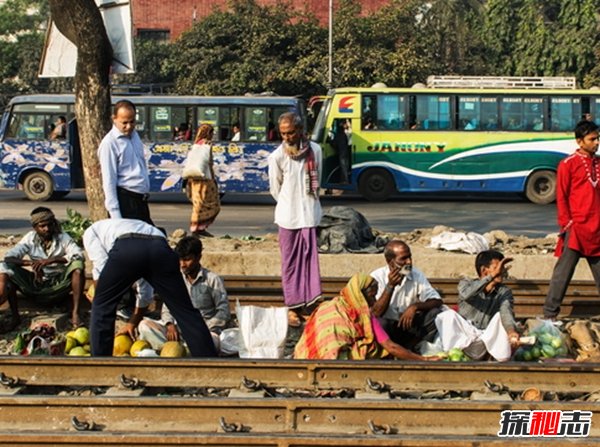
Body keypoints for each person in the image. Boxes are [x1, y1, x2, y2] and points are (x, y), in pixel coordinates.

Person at [83, 218, 217, 357]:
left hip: (127, 248)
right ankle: (208, 359)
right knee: (185, 311)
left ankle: (100, 360)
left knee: (102, 306)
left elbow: (101, 268)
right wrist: (133, 323)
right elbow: (145, 292)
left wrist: (100, 295)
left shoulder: (91, 232)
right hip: (160, 248)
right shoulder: (136, 226)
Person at [294, 273, 438, 361]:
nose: (374, 301)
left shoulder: (329, 305)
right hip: (336, 360)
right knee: (374, 347)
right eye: (371, 296)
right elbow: (390, 346)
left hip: (308, 356)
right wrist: (423, 359)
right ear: (360, 294)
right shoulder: (366, 316)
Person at [268, 112, 322, 326]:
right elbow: (275, 188)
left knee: (309, 263)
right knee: (290, 264)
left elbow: (319, 178)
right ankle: (293, 306)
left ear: (300, 130)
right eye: (283, 134)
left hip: (309, 214)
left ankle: (309, 305)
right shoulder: (277, 156)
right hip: (287, 217)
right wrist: (289, 202)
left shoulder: (315, 150)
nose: (287, 137)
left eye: (291, 133)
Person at [544, 120, 600, 320]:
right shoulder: (568, 164)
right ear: (579, 141)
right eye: (592, 139)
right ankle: (549, 316)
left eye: (597, 139)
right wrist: (567, 224)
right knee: (563, 274)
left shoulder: (599, 163)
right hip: (575, 228)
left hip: (597, 229)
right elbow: (562, 196)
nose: (596, 143)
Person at [137, 236, 231, 352]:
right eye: (180, 260)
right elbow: (167, 307)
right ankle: (176, 350)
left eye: (187, 259)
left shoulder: (212, 280)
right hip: (178, 331)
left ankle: (178, 351)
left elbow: (224, 312)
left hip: (204, 332)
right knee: (144, 325)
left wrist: (201, 328)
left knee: (213, 341)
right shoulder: (177, 278)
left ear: (198, 258)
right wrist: (169, 324)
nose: (182, 264)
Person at [0, 207, 85, 330]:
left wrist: (51, 260)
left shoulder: (62, 237)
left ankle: (75, 313)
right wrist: (31, 263)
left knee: (77, 266)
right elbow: (9, 258)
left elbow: (78, 254)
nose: (47, 229)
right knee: (7, 267)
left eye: (50, 225)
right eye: (42, 226)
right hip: (36, 284)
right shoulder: (29, 238)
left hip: (58, 284)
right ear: (35, 227)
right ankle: (15, 317)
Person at [435, 250, 519, 361]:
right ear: (484, 270)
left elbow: (506, 312)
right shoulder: (466, 283)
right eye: (497, 267)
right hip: (465, 337)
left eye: (502, 267)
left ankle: (496, 358)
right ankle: (453, 356)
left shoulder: (504, 291)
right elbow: (467, 294)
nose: (501, 271)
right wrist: (492, 276)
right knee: (446, 315)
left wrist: (511, 331)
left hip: (486, 339)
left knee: (500, 317)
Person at [370, 240, 443, 349]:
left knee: (435, 313)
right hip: (387, 330)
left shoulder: (416, 275)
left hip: (408, 327)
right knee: (380, 323)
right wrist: (390, 286)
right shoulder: (377, 277)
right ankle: (388, 351)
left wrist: (415, 307)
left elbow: (437, 300)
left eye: (410, 257)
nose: (409, 262)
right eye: (403, 259)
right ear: (390, 262)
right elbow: (376, 313)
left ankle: (410, 349)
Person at [98, 100, 153, 225]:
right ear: (114, 119)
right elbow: (109, 181)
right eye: (124, 123)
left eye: (132, 122)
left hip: (141, 201)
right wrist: (116, 215)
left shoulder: (134, 136)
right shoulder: (109, 143)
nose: (129, 126)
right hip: (126, 201)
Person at [183, 123, 220, 237]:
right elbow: (209, 164)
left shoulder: (195, 145)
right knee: (212, 205)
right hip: (204, 180)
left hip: (193, 180)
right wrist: (213, 179)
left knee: (198, 205)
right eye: (211, 133)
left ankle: (197, 228)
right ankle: (198, 228)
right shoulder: (207, 145)